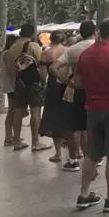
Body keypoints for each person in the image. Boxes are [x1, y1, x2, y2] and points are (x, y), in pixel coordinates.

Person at [73, 18, 109, 212]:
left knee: (92, 154)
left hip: (93, 109)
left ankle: (84, 194)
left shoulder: (86, 54)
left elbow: (78, 82)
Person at [50, 21, 97, 172]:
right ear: (95, 31)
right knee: (90, 127)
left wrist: (67, 82)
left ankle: (73, 160)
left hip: (76, 91)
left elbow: (53, 68)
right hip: (98, 91)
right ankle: (93, 158)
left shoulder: (73, 50)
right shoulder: (100, 48)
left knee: (74, 127)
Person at [6, 23, 49, 152]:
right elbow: (41, 66)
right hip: (33, 84)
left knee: (18, 112)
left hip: (19, 84)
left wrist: (16, 81)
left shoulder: (11, 48)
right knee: (35, 113)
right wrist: (44, 81)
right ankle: (35, 142)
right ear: (32, 34)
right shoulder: (33, 46)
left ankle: (17, 141)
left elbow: (10, 70)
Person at [39, 31, 68, 162]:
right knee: (69, 115)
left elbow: (43, 73)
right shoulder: (68, 51)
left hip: (53, 87)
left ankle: (58, 153)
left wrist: (43, 84)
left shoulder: (46, 53)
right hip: (68, 85)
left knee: (54, 118)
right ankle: (77, 150)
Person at [1, 35, 18, 146]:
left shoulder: (5, 53)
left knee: (14, 111)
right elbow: (11, 70)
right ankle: (8, 137)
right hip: (12, 86)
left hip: (9, 85)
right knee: (12, 110)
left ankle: (11, 135)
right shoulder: (8, 53)